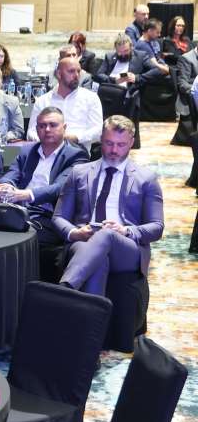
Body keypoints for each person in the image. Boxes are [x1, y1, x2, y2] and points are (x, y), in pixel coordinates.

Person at [54, 116, 164, 296]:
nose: (114, 150)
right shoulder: (79, 173)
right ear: (101, 140)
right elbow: (59, 217)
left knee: (107, 235)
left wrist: (125, 230)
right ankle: (91, 313)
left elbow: (157, 227)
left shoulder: (146, 179)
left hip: (127, 247)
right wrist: (75, 233)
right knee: (98, 261)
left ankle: (63, 291)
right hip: (84, 240)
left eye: (121, 145)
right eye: (109, 143)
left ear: (131, 143)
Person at [0, 107, 90, 244]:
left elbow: (59, 188)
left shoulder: (76, 155)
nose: (47, 129)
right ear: (36, 129)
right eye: (42, 126)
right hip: (17, 209)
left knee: (10, 238)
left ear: (64, 128)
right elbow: (12, 173)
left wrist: (24, 195)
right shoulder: (28, 150)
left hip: (47, 216)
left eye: (53, 125)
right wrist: (5, 186)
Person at [27, 58, 103, 152]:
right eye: (71, 71)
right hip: (46, 152)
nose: (76, 75)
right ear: (59, 74)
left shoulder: (91, 98)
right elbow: (31, 132)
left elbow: (98, 131)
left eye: (78, 71)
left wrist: (76, 138)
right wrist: (46, 140)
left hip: (78, 152)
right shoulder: (43, 101)